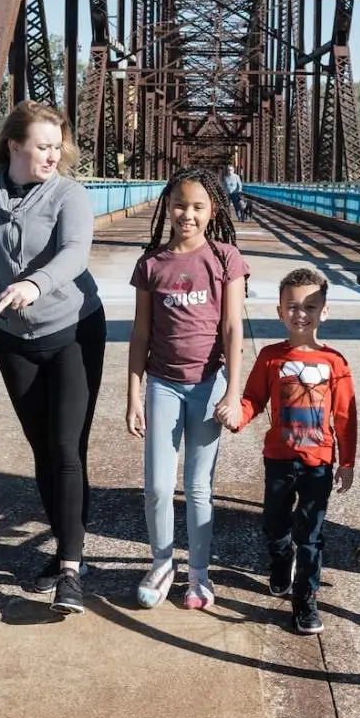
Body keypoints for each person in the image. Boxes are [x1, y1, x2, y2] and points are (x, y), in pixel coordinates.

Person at [0, 100, 104, 615]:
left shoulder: (69, 194)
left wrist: (35, 283)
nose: (53, 155)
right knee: (42, 449)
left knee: (66, 447)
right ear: (14, 145)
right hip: (15, 338)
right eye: (43, 146)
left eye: (57, 147)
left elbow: (75, 253)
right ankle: (66, 545)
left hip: (74, 330)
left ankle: (70, 569)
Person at [126, 167, 248, 609]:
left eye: (198, 206)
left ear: (213, 210)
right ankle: (162, 563)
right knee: (158, 486)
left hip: (209, 385)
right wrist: (133, 395)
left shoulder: (225, 259)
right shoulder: (152, 264)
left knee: (198, 487)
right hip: (163, 383)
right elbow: (140, 334)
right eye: (180, 205)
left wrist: (233, 393)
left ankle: (198, 572)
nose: (187, 215)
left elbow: (232, 328)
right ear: (168, 206)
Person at [220, 267, 356, 635]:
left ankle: (305, 599)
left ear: (324, 311)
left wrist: (346, 462)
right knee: (275, 526)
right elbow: (253, 398)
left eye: (310, 306)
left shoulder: (336, 362)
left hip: (318, 464)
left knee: (310, 535)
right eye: (293, 306)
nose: (301, 314)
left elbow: (345, 416)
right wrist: (238, 416)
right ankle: (280, 562)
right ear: (280, 311)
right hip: (278, 460)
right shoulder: (270, 357)